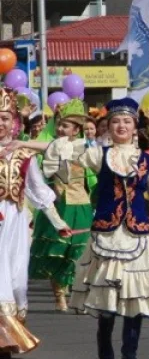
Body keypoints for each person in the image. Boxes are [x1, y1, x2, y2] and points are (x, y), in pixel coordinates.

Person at [45, 100, 149, 359]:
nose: (121, 126)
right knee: (108, 295)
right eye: (116, 122)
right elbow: (65, 168)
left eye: (127, 121)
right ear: (108, 127)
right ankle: (104, 334)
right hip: (106, 235)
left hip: (137, 234)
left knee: (135, 297)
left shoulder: (147, 160)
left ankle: (130, 352)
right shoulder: (98, 155)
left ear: (135, 127)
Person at [0, 89, 72, 359]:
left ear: (15, 121)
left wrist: (57, 221)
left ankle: (8, 336)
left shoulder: (24, 156)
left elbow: (38, 191)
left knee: (17, 277)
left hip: (16, 222)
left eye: (5, 118)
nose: (1, 123)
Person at [28, 99, 93, 312]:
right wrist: (20, 144)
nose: (59, 128)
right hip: (60, 204)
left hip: (81, 204)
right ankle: (59, 295)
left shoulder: (86, 147)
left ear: (76, 130)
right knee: (57, 249)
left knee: (79, 251)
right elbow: (43, 148)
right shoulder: (55, 146)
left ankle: (77, 294)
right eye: (59, 124)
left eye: (65, 125)